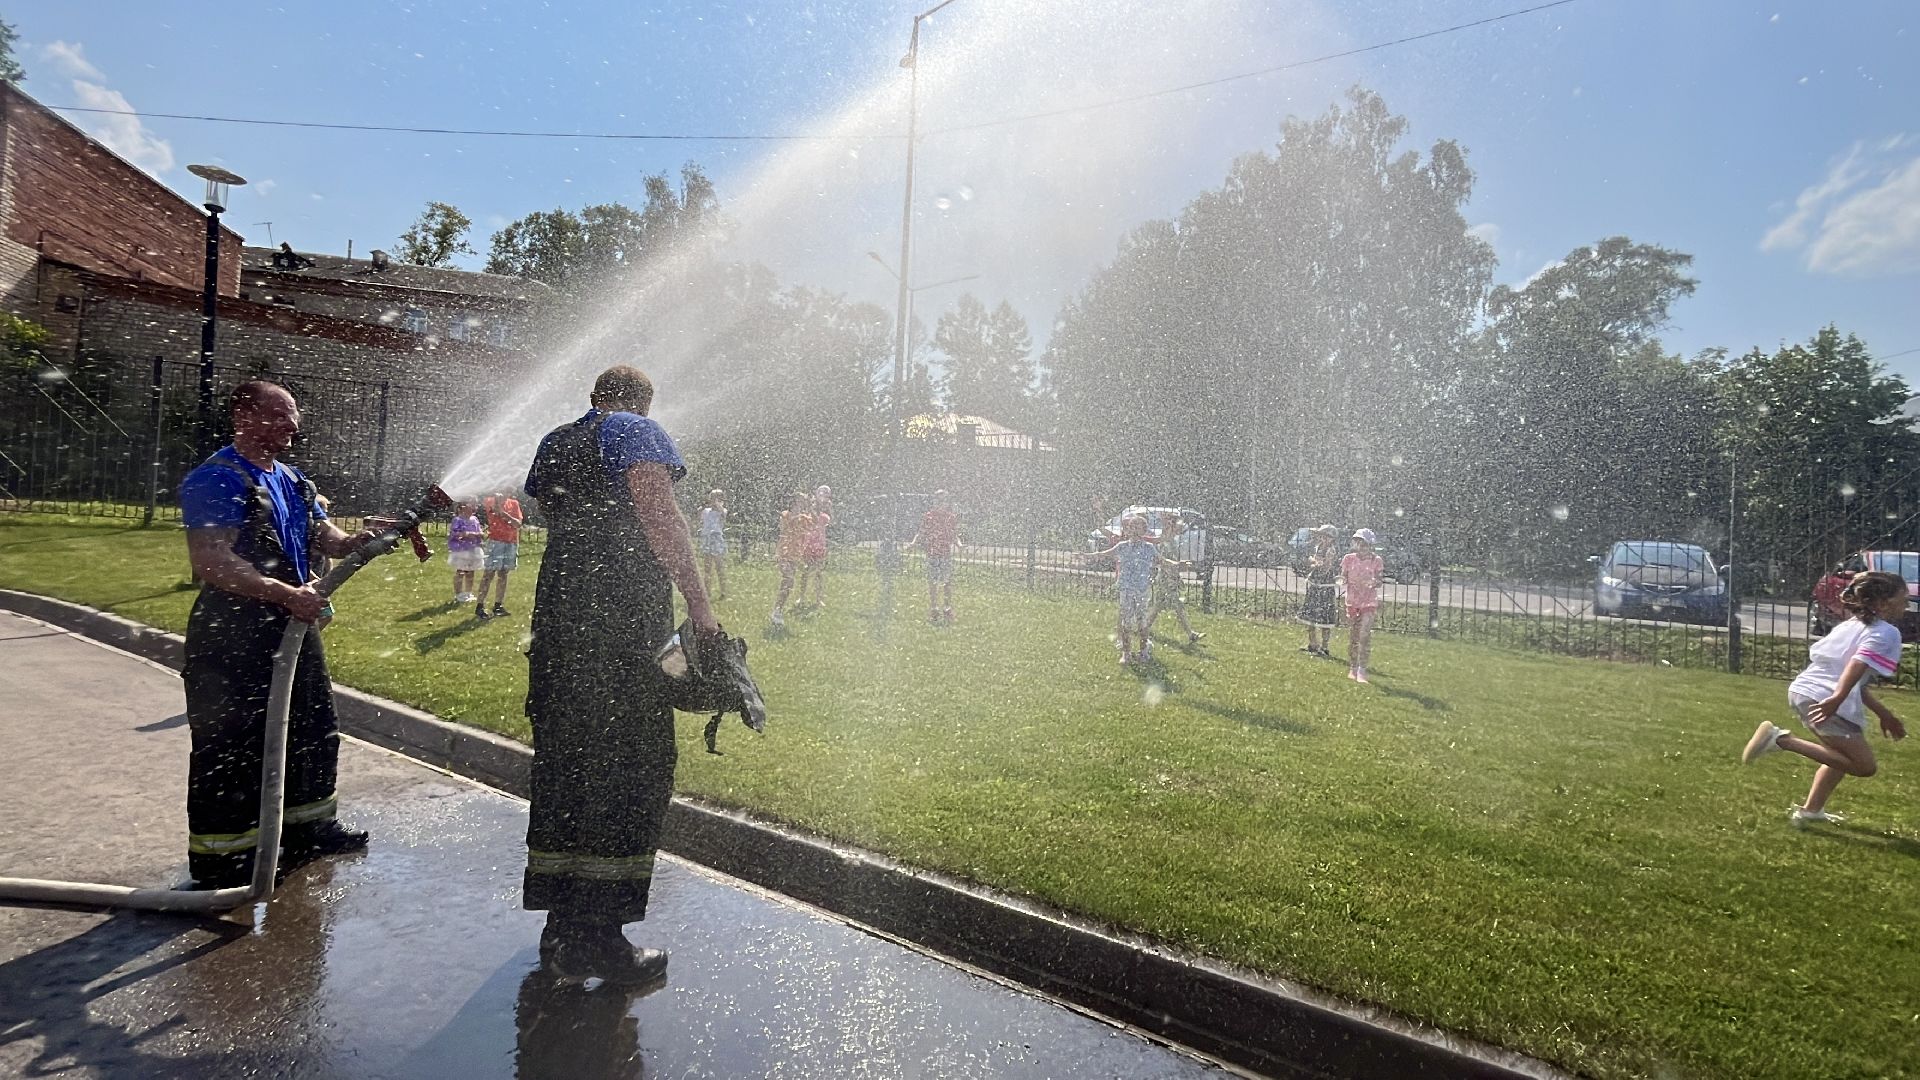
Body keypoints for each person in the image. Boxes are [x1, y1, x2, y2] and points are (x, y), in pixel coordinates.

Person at [522, 364, 720, 985]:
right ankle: (600, 940)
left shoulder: (556, 440)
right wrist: (700, 605)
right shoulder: (637, 431)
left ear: (594, 398)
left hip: (560, 619)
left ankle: (561, 927)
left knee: (568, 762)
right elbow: (659, 515)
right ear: (643, 402)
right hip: (621, 622)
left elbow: (554, 517)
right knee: (629, 764)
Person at [176, 380, 377, 890]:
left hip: (291, 621)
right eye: (281, 415)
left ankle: (310, 828)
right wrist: (284, 593)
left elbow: (319, 532)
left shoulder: (291, 478)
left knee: (312, 722)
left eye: (294, 415)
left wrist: (353, 540)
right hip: (233, 629)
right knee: (231, 740)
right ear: (243, 416)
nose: (293, 425)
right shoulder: (216, 479)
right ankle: (225, 857)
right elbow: (212, 561)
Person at [1743, 570, 1908, 824]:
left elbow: (1856, 681)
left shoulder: (1850, 626)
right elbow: (1857, 664)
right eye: (1903, 599)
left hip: (1805, 691)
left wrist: (1883, 713)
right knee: (1864, 766)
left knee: (1838, 756)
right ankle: (1781, 741)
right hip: (1823, 697)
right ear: (1884, 603)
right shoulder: (1886, 632)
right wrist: (1836, 698)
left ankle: (1810, 811)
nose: (1907, 605)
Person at [1083, 514, 1185, 665]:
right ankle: (1126, 653)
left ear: (1144, 530)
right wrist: (1088, 555)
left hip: (1142, 589)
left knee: (1141, 621)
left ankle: (1143, 652)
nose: (1134, 529)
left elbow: (1162, 561)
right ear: (1128, 530)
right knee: (1125, 621)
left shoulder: (1149, 548)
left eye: (1138, 526)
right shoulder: (1122, 546)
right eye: (1132, 526)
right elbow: (1104, 554)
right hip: (1126, 588)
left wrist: (1177, 564)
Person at [905, 489, 961, 625]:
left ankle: (947, 608)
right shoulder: (929, 517)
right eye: (938, 501)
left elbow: (953, 535)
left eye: (944, 501)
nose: (941, 504)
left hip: (945, 553)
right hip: (932, 553)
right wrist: (913, 543)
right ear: (934, 502)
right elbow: (921, 532)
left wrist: (959, 544)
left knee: (947, 582)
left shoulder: (950, 517)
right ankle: (934, 608)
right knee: (933, 581)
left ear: (948, 503)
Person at [1147, 511, 1204, 644]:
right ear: (1171, 526)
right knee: (1176, 605)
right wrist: (1175, 569)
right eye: (1178, 526)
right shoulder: (1164, 540)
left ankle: (1143, 627)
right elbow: (1161, 560)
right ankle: (1190, 634)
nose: (1181, 528)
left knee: (1158, 606)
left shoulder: (1171, 540)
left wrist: (1180, 567)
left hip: (1170, 577)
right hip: (1166, 577)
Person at [1340, 528, 1385, 683]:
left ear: (1370, 544)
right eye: (1358, 542)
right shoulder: (1348, 559)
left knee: (1364, 635)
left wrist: (1374, 583)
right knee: (1353, 636)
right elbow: (1343, 576)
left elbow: (1379, 580)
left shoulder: (1376, 560)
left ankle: (1362, 669)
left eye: (1364, 543)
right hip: (1352, 601)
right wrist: (1343, 580)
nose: (1361, 546)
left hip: (1368, 601)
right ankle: (1352, 667)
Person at [476, 490, 524, 620]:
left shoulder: (514, 503)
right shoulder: (490, 500)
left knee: (503, 574)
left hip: (511, 542)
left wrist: (505, 515)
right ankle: (480, 606)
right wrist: (499, 503)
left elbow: (517, 524)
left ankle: (498, 605)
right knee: (489, 574)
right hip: (496, 542)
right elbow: (496, 512)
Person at [770, 491, 813, 629]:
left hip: (795, 554)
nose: (801, 504)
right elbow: (784, 528)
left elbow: (814, 526)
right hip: (784, 552)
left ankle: (778, 609)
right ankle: (776, 611)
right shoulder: (786, 515)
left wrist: (812, 509)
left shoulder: (805, 518)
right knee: (788, 579)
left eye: (804, 502)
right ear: (794, 502)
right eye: (799, 501)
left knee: (787, 585)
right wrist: (797, 517)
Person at [1299, 525, 1339, 658]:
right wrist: (1315, 563)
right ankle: (1312, 643)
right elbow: (1314, 563)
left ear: (1331, 539)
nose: (1323, 539)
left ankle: (1325, 646)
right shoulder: (1318, 548)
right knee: (1310, 614)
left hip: (1325, 586)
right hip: (1315, 584)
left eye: (1326, 536)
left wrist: (1315, 563)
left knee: (1325, 617)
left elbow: (1325, 568)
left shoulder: (1330, 550)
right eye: (1321, 536)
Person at [799, 484, 833, 609]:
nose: (822, 497)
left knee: (818, 573)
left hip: (820, 545)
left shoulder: (826, 509)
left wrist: (823, 508)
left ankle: (818, 599)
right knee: (806, 571)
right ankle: (801, 597)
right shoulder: (810, 509)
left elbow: (828, 520)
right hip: (809, 543)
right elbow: (808, 520)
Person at [448, 501, 485, 605]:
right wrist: (466, 534)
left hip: (473, 549)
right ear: (462, 508)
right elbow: (455, 533)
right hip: (461, 549)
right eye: (470, 505)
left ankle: (468, 592)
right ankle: (459, 594)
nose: (473, 507)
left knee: (470, 571)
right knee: (461, 571)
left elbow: (480, 531)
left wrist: (479, 535)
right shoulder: (457, 520)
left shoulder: (475, 519)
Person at [697, 489, 729, 602]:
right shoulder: (705, 511)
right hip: (707, 539)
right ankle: (707, 592)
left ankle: (724, 592)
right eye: (712, 498)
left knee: (719, 567)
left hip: (716, 539)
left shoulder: (722, 511)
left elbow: (723, 515)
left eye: (716, 498)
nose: (713, 500)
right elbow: (701, 521)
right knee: (707, 568)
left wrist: (717, 503)